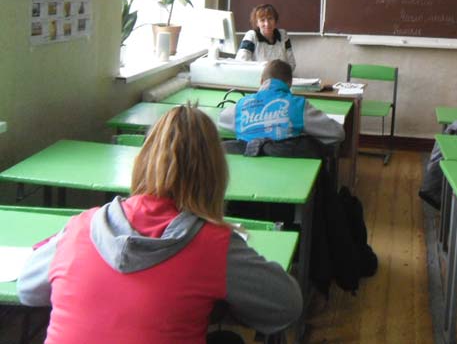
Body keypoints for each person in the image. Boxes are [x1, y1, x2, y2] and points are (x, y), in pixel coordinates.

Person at [17, 106, 303, 344]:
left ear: (142, 161)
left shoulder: (80, 227)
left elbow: (28, 290)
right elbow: (286, 307)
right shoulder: (213, 245)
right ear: (216, 173)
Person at [219, 59, 344, 147]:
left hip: (247, 172)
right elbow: (338, 134)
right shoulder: (298, 105)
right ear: (290, 84)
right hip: (291, 174)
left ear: (261, 81)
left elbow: (221, 120)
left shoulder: (240, 106)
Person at [235, 4, 296, 71]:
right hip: (257, 76)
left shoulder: (283, 35)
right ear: (257, 23)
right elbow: (241, 62)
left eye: (270, 19)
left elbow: (292, 63)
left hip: (280, 76)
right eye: (262, 20)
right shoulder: (252, 35)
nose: (267, 24)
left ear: (275, 20)